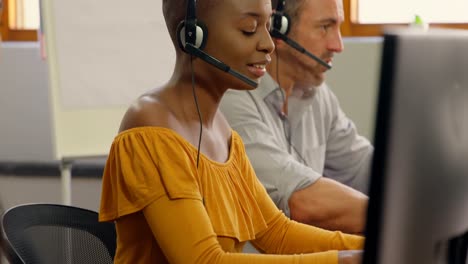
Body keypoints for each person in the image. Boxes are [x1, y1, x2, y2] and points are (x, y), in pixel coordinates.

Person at [99, 0, 364, 263]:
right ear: (193, 36)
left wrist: (369, 246)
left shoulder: (224, 133)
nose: (268, 44)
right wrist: (343, 260)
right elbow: (203, 260)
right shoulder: (151, 126)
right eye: (249, 29)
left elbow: (276, 232)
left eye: (268, 27)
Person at [219, 0, 372, 235]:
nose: (338, 45)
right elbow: (302, 202)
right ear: (278, 29)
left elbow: (364, 168)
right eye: (325, 27)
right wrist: (397, 218)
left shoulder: (318, 96)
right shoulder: (232, 99)